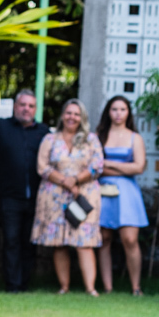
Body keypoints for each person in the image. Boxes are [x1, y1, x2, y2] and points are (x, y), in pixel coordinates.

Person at [31, 99, 104, 295]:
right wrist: (65, 181)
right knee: (59, 243)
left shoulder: (91, 139)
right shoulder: (50, 139)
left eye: (76, 114)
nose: (72, 117)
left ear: (82, 118)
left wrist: (76, 180)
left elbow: (97, 165)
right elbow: (42, 166)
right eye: (69, 113)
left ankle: (90, 288)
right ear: (63, 115)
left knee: (84, 241)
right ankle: (64, 287)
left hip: (84, 194)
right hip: (55, 194)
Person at [0, 89, 49, 292]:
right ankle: (12, 285)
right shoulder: (1, 127)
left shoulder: (44, 132)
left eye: (30, 106)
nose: (26, 109)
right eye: (22, 105)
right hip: (10, 196)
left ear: (35, 109)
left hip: (36, 197)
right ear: (15, 107)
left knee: (29, 243)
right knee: (11, 240)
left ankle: (25, 284)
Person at [95, 96, 149, 296]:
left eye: (123, 109)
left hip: (127, 193)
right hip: (102, 190)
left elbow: (139, 167)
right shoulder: (99, 135)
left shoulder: (135, 138)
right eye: (114, 109)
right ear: (108, 112)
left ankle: (136, 287)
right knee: (104, 238)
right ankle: (108, 287)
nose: (118, 113)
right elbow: (95, 167)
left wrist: (108, 164)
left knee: (130, 239)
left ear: (128, 112)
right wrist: (123, 168)